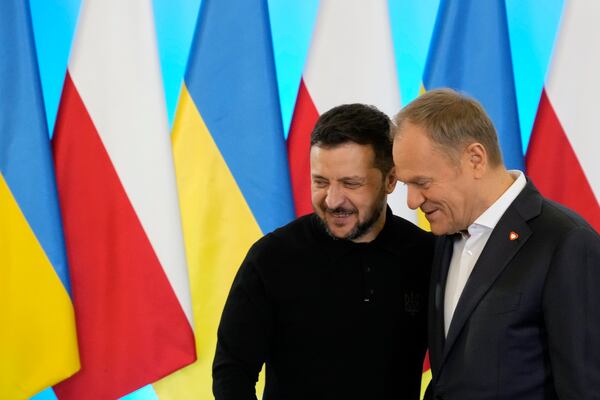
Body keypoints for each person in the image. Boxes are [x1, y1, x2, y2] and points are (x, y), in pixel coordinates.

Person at [213, 103, 434, 399]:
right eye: (320, 182)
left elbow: (459, 367)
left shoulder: (428, 255)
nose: (332, 200)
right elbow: (232, 373)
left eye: (350, 183)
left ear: (390, 179)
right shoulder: (272, 258)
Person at [392, 88, 600, 400]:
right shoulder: (446, 238)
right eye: (408, 185)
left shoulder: (565, 241)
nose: (412, 202)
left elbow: (584, 389)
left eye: (422, 183)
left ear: (475, 158)